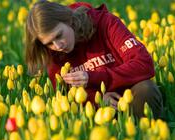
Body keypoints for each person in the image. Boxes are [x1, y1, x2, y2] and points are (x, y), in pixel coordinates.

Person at [25, 0, 163, 119]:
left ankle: (145, 137)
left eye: (59, 35)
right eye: (49, 43)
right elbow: (65, 93)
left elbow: (144, 63)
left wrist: (94, 78)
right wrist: (97, 99)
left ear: (68, 19)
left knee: (146, 89)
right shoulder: (53, 53)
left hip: (130, 93)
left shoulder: (106, 23)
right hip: (98, 111)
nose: (58, 45)